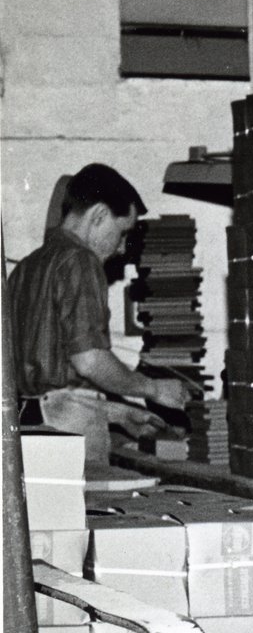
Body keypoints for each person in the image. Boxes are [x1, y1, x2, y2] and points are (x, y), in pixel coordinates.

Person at [6, 163, 187, 460]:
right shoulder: (80, 260)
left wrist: (115, 412)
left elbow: (48, 389)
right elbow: (89, 361)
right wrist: (154, 389)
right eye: (122, 232)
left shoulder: (26, 267)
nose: (121, 248)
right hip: (65, 431)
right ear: (99, 215)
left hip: (25, 423)